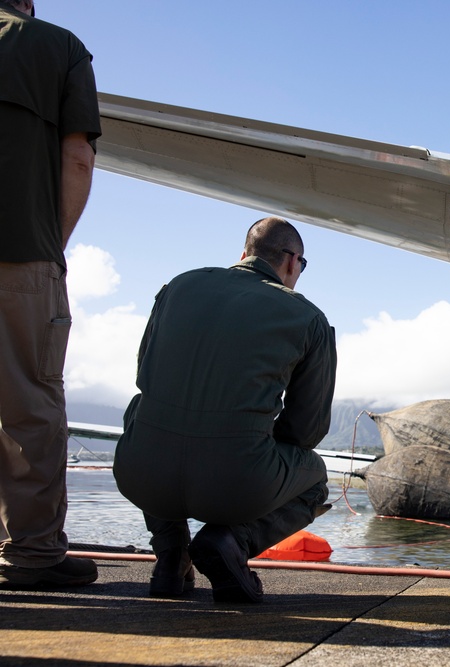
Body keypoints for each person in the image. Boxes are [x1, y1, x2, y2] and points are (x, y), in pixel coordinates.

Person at [113, 217, 337, 603]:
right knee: (314, 477)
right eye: (302, 266)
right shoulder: (309, 318)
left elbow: (143, 373)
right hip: (237, 486)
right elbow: (305, 432)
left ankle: (170, 556)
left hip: (140, 474)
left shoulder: (178, 286)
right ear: (291, 261)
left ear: (243, 255)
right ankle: (231, 541)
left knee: (141, 409)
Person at [0, 0, 102, 589]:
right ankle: (32, 556)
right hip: (23, 253)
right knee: (29, 410)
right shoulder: (60, 48)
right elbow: (78, 159)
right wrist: (51, 245)